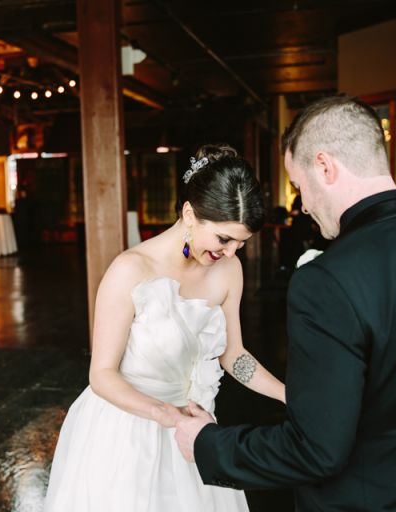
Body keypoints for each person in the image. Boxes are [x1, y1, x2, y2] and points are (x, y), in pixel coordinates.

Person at [175, 96, 396, 512]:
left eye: (300, 186)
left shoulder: (326, 281)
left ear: (325, 167)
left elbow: (316, 450)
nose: (304, 205)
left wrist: (209, 444)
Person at [44, 144, 286, 512]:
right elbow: (102, 375)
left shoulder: (228, 270)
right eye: (224, 239)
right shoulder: (130, 269)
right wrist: (167, 416)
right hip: (128, 431)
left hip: (193, 429)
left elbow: (233, 355)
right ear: (190, 214)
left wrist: (288, 395)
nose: (231, 252)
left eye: (241, 243)